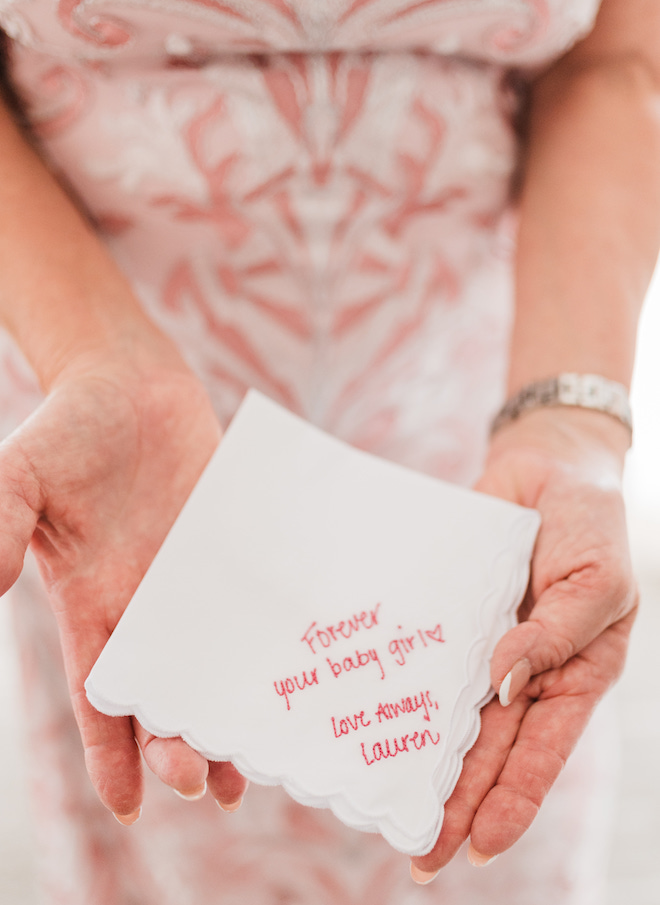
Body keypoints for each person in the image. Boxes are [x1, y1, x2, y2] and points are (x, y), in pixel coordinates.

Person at [0, 0, 656, 902]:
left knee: (489, 787)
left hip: (488, 417)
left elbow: (619, 61)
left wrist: (572, 423)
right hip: (122, 458)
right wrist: (94, 356)